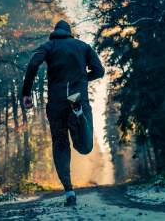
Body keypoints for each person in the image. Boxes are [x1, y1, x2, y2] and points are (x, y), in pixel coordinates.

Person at [21, 20, 104, 206]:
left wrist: (26, 92)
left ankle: (69, 191)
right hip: (77, 96)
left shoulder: (48, 46)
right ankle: (79, 114)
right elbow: (99, 71)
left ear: (55, 32)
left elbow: (33, 63)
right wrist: (82, 79)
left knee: (60, 145)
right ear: (69, 32)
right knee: (84, 147)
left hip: (56, 101)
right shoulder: (83, 47)